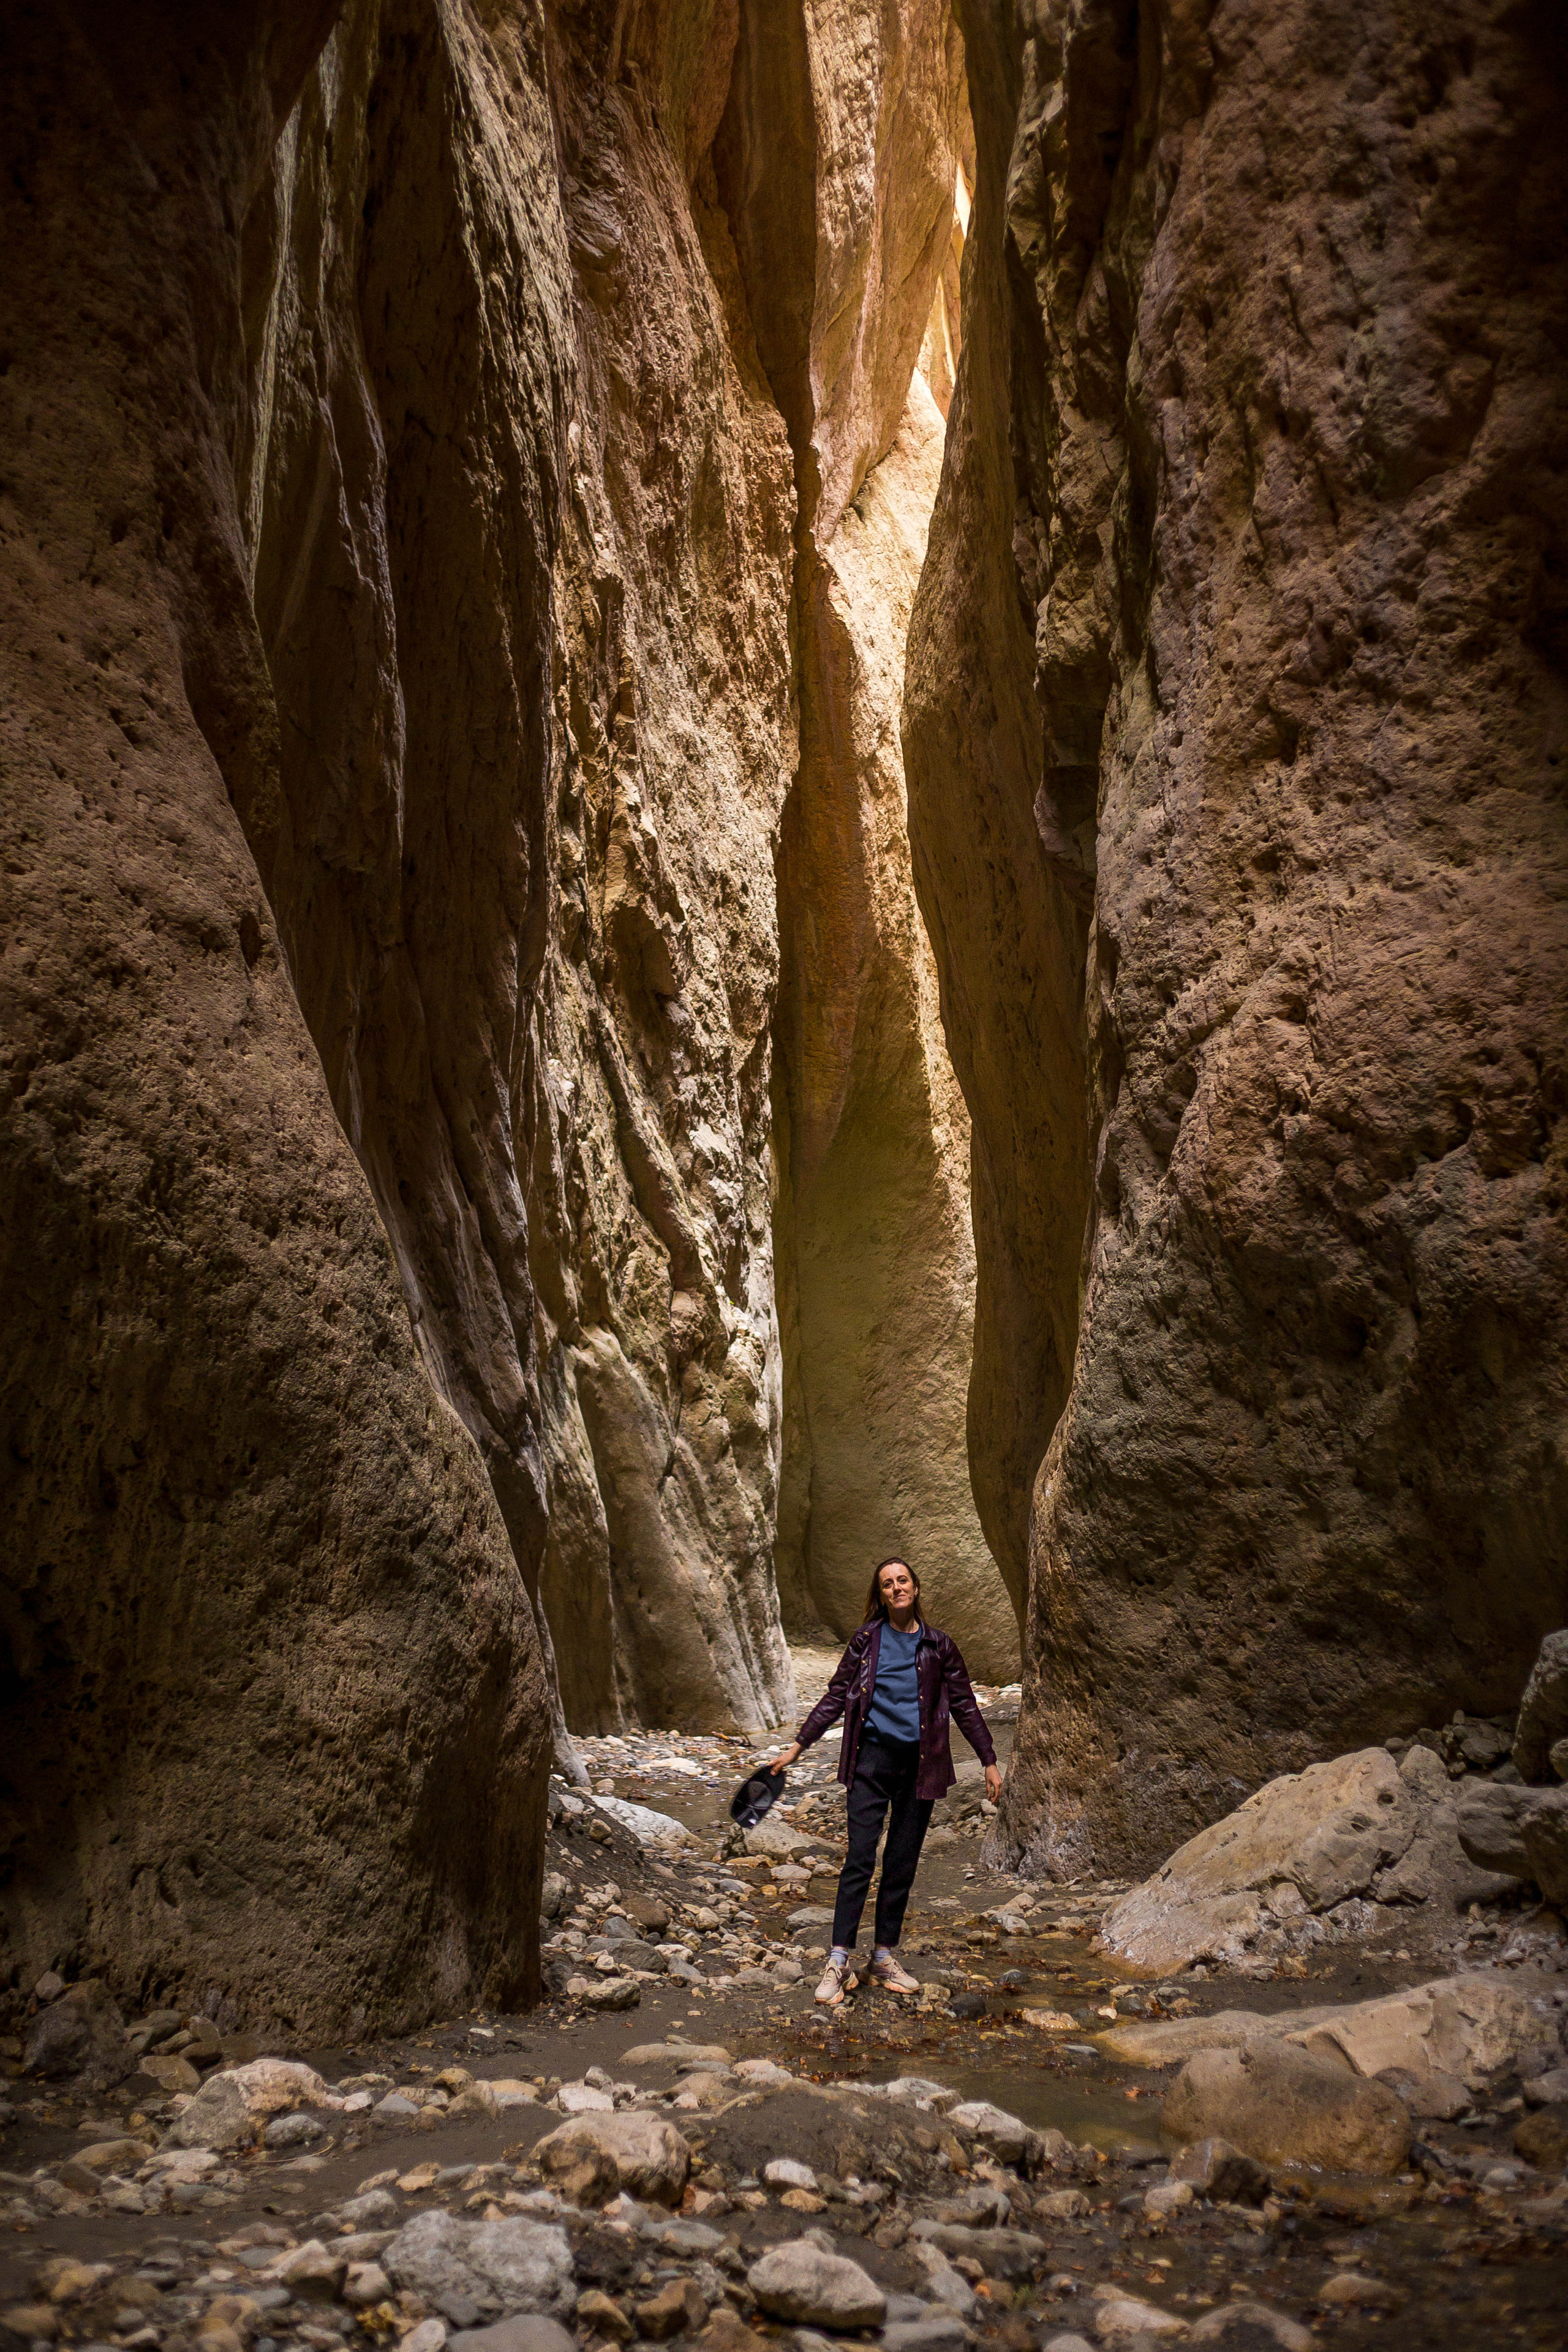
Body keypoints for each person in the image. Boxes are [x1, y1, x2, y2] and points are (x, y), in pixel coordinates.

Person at [766, 1557, 1002, 2008]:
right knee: (859, 1858)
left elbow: (965, 1706)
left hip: (921, 1766)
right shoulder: (866, 1640)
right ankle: (838, 1960)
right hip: (869, 1763)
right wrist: (798, 1746)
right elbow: (836, 1695)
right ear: (881, 1595)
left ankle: (883, 1957)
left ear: (915, 1587)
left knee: (901, 1863)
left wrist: (989, 1760)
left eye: (903, 1580)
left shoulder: (940, 1646)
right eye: (888, 1584)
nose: (897, 1588)